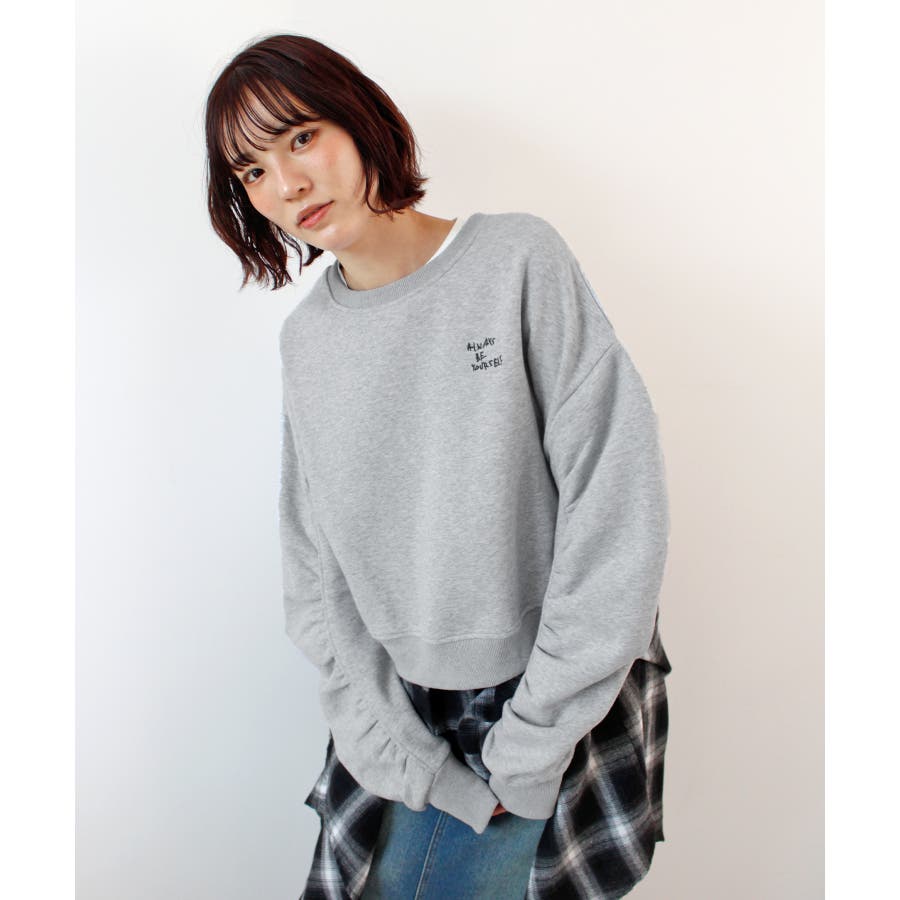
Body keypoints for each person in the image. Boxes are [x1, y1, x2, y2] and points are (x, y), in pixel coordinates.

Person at [204, 33, 673, 900]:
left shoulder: (518, 260)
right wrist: (405, 756)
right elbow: (317, 575)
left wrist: (530, 745)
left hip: (563, 701)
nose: (288, 184)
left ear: (361, 120)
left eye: (301, 137)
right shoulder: (308, 342)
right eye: (252, 170)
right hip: (404, 719)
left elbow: (617, 507)